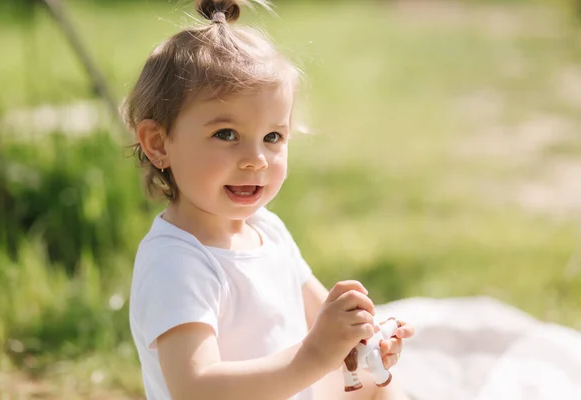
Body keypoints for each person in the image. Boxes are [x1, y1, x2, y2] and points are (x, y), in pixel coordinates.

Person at [124, 0, 415, 399]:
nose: (255, 159)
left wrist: (361, 339)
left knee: (378, 388)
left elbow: (319, 321)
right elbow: (195, 388)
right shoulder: (177, 263)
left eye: (273, 137)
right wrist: (313, 356)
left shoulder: (268, 231)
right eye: (226, 134)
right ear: (159, 144)